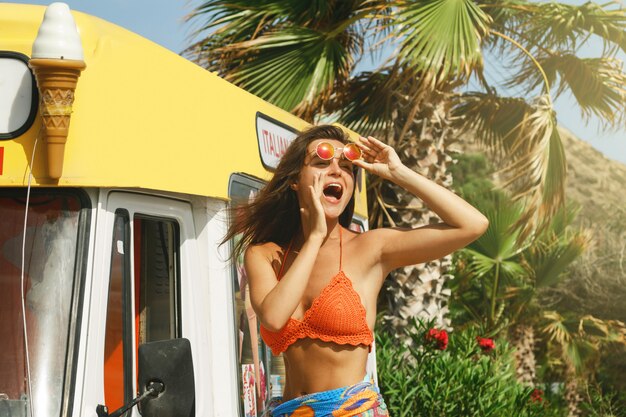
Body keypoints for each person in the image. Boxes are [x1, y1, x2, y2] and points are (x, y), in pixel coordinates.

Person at [224, 125, 489, 417]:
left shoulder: (371, 249)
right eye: (321, 162)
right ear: (295, 181)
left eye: (347, 166)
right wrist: (314, 237)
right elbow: (274, 318)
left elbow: (472, 225)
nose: (336, 171)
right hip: (288, 411)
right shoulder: (264, 254)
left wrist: (400, 173)